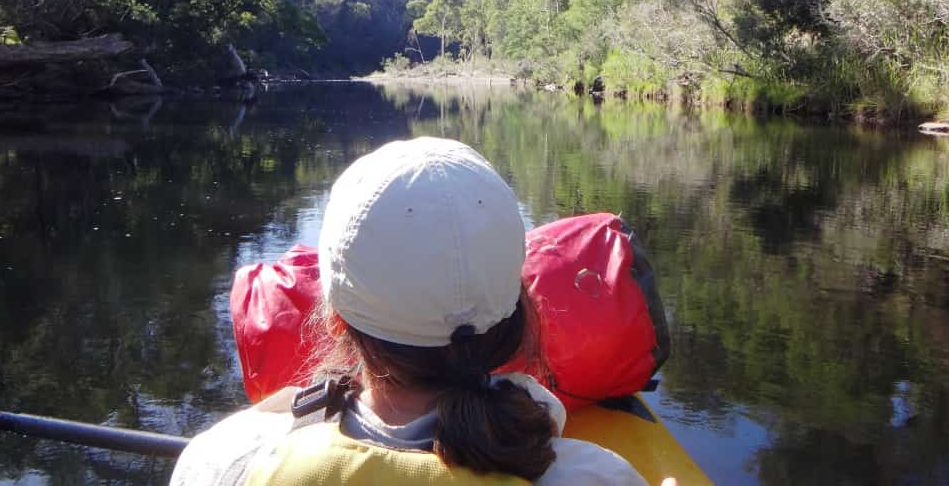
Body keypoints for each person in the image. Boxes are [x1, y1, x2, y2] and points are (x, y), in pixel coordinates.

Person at [170, 137, 659, 485]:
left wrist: (301, 404)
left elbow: (235, 443)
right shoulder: (597, 475)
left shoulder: (225, 461)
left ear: (335, 321)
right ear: (514, 317)